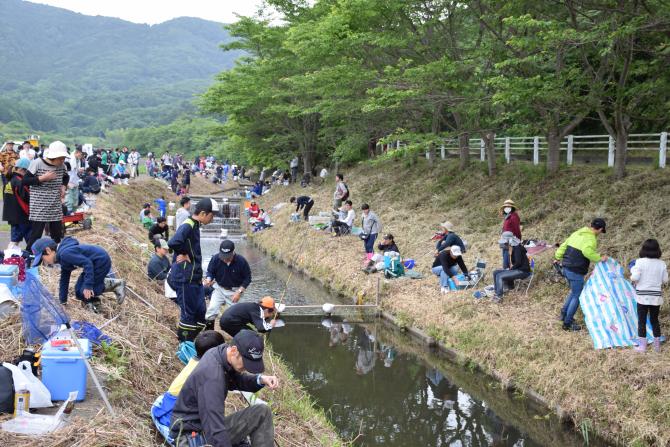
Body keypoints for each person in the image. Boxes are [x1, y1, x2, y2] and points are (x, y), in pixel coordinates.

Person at [169, 330, 278, 446]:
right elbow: (214, 429)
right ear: (234, 350)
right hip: (190, 436)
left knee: (262, 411)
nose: (246, 368)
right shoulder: (212, 377)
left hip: (202, 427)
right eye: (246, 363)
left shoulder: (221, 354)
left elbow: (236, 380)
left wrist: (260, 379)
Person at [151, 330, 225, 443]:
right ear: (214, 351)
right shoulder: (207, 371)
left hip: (165, 405)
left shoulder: (195, 360)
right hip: (173, 414)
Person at [31, 236, 125, 312]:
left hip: (100, 262)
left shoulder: (65, 254)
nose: (45, 262)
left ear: (48, 250)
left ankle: (115, 284)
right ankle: (92, 300)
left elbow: (87, 263)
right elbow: (64, 279)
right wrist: (62, 302)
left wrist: (88, 286)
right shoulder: (62, 257)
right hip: (93, 264)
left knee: (85, 290)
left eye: (43, 259)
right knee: (78, 291)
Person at [168, 198, 217, 342]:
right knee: (188, 315)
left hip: (193, 278)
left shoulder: (195, 225)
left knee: (201, 312)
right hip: (184, 278)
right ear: (203, 213)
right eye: (211, 216)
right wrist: (184, 253)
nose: (212, 219)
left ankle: (196, 342)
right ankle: (184, 347)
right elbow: (173, 242)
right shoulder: (188, 224)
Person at [554, 218, 608, 331]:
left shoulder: (577, 233)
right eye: (601, 232)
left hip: (566, 267)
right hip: (576, 270)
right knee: (577, 295)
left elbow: (563, 245)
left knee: (574, 292)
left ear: (591, 225)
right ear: (600, 229)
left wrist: (557, 257)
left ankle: (563, 314)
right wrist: (599, 258)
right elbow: (587, 252)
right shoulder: (591, 239)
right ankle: (567, 323)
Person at [26, 141, 70, 252]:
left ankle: (55, 256)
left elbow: (65, 177)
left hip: (55, 204)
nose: (62, 161)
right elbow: (25, 181)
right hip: (39, 205)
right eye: (60, 158)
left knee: (57, 234)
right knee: (36, 234)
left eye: (64, 158)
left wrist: (64, 186)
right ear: (53, 156)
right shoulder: (37, 163)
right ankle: (28, 257)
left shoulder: (62, 166)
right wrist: (42, 178)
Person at [3, 158, 55, 249]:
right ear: (24, 170)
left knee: (16, 239)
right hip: (23, 216)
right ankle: (29, 258)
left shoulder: (9, 180)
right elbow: (29, 198)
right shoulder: (20, 182)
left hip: (12, 216)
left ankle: (10, 257)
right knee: (28, 240)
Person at [204, 240, 252, 330]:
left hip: (235, 291)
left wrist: (239, 291)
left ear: (233, 252)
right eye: (223, 257)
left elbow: (247, 278)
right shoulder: (215, 258)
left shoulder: (241, 261)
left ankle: (241, 334)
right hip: (219, 289)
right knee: (211, 310)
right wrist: (209, 279)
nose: (225, 259)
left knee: (236, 315)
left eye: (228, 257)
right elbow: (210, 271)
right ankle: (209, 333)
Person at [630, 239, 668, 352]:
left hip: (642, 297)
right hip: (656, 297)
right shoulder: (662, 263)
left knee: (641, 321)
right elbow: (665, 280)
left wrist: (632, 270)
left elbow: (635, 278)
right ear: (657, 250)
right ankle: (657, 347)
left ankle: (642, 347)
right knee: (654, 320)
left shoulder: (640, 262)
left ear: (643, 249)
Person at [491, 232, 531, 303]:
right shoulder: (512, 247)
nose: (504, 244)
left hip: (523, 271)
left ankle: (499, 296)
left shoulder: (517, 248)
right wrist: (509, 269)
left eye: (505, 242)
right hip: (518, 269)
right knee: (495, 272)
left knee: (500, 276)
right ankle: (497, 291)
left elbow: (518, 263)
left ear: (509, 241)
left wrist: (510, 270)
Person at [500, 199, 521, 268]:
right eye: (505, 207)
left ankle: (507, 269)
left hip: (511, 239)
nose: (507, 208)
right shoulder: (507, 216)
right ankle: (506, 268)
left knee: (507, 254)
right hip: (504, 239)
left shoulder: (514, 216)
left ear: (512, 208)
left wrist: (518, 239)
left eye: (508, 207)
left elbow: (516, 229)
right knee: (505, 254)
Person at [65, 146, 84, 214]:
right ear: (77, 152)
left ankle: (74, 214)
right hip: (69, 182)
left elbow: (75, 171)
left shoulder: (77, 159)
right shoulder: (70, 159)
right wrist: (67, 183)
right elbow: (68, 172)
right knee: (69, 200)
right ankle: (69, 214)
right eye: (81, 154)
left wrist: (79, 170)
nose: (82, 156)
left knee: (75, 200)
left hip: (75, 182)